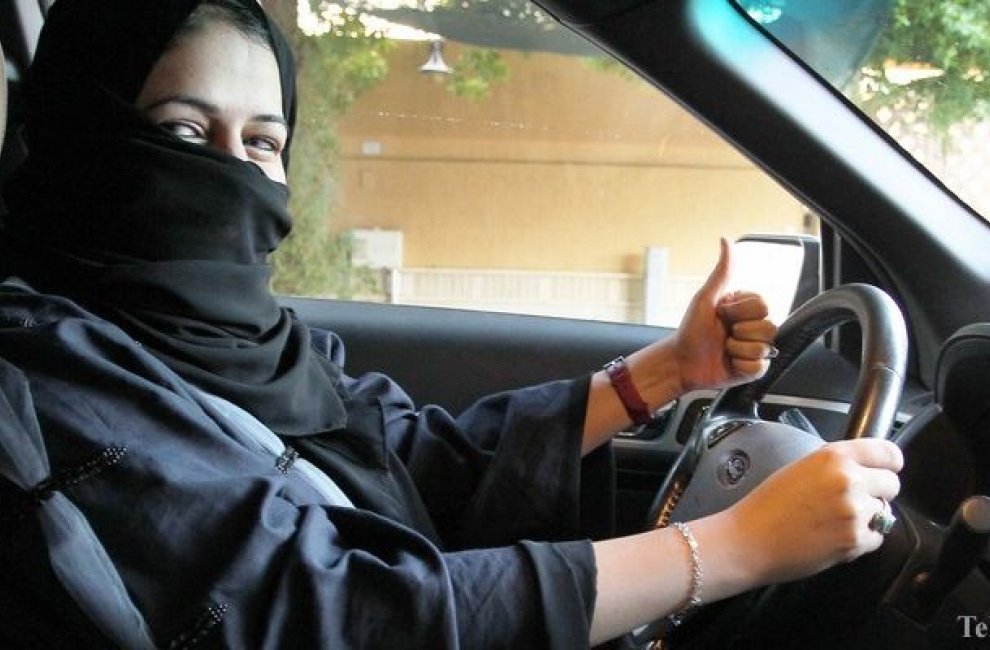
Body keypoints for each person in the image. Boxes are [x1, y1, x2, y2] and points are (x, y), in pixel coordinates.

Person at [0, 0, 903, 648]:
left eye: (263, 141)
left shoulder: (255, 342)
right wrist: (732, 548)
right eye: (184, 133)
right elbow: (330, 608)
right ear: (83, 136)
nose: (233, 173)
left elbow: (417, 460)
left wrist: (668, 371)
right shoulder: (46, 375)